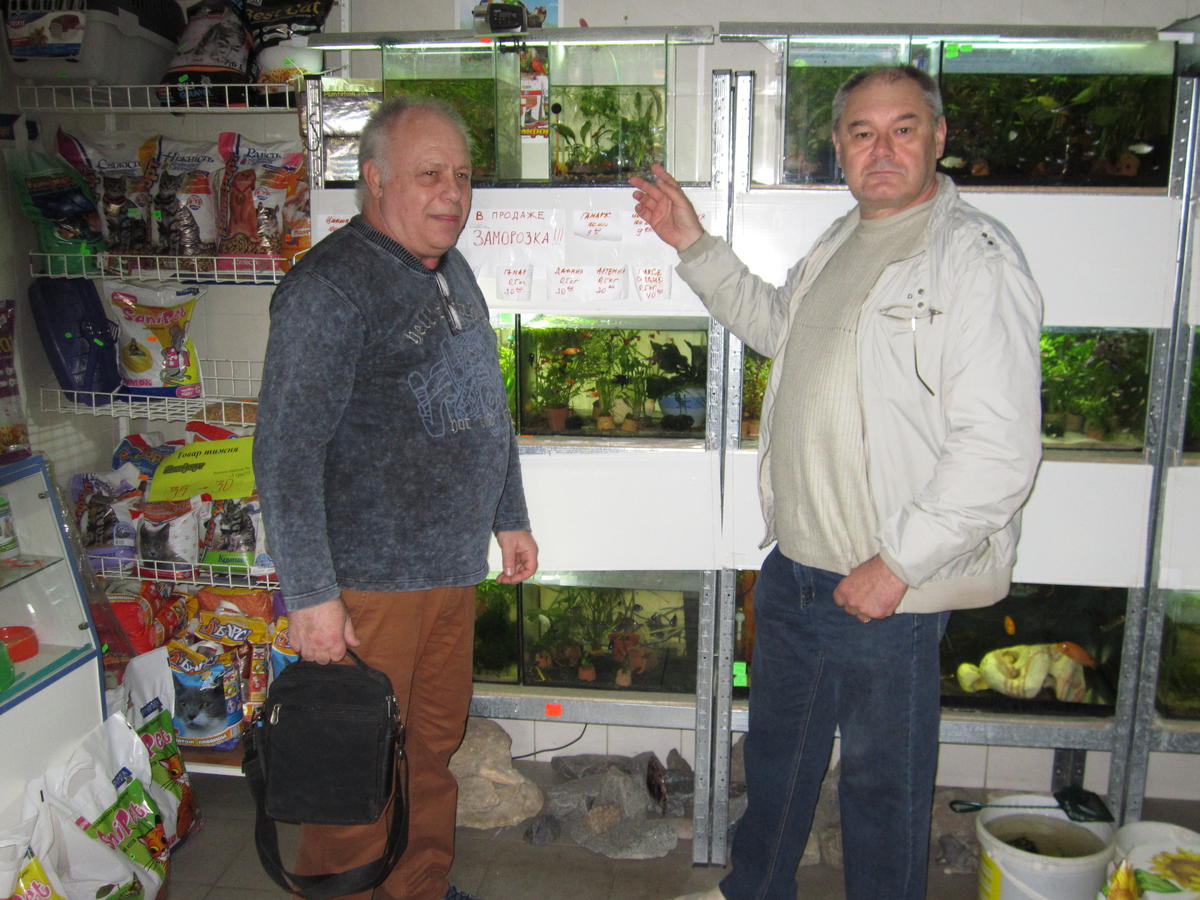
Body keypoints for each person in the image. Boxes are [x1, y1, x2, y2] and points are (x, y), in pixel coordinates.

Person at [632, 65, 1043, 900]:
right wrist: (693, 245)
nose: (881, 148)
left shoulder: (973, 259)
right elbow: (777, 327)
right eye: (862, 132)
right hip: (797, 568)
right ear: (839, 147)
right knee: (776, 764)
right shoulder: (840, 240)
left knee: (882, 790)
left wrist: (897, 566)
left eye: (903, 128)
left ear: (938, 137)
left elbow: (999, 451)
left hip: (886, 585)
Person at [254, 96, 538, 900]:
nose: (453, 193)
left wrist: (508, 515)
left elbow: (484, 403)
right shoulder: (329, 288)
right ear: (375, 179)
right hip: (367, 586)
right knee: (356, 763)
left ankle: (418, 886)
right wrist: (311, 595)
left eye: (462, 176)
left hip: (449, 572)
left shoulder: (452, 270)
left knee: (432, 750)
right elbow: (284, 453)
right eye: (429, 174)